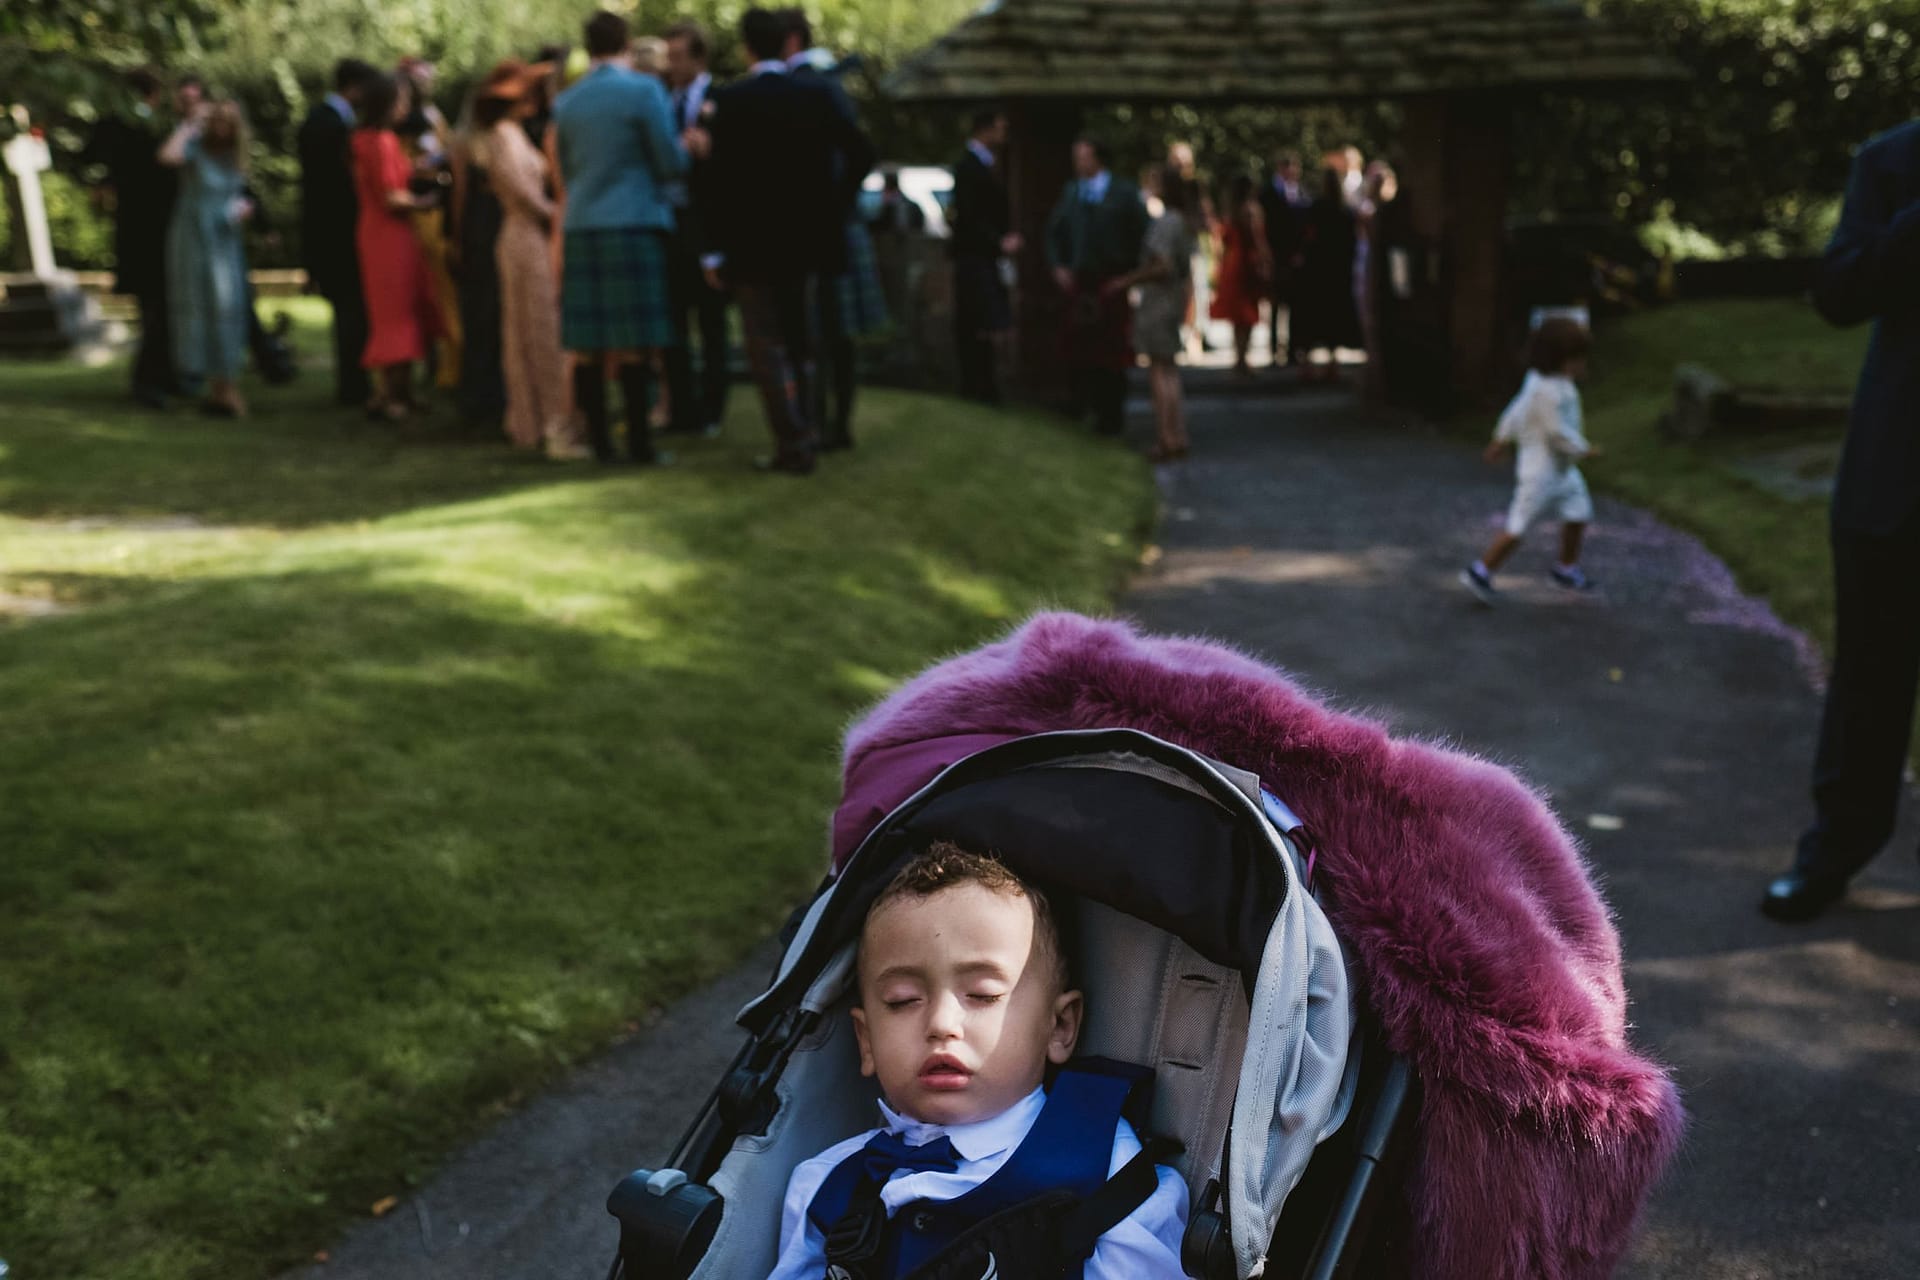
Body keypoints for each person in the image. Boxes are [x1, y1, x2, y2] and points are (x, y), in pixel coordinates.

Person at [765, 844, 1188, 1280]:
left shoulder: (1107, 1166)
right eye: (903, 1000)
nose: (941, 1023)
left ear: (1059, 1027)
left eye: (983, 995)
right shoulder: (826, 1185)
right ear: (866, 1041)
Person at [1765, 118, 1920, 922]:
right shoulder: (1890, 160)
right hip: (1896, 465)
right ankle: (1835, 849)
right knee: (1870, 672)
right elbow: (1839, 292)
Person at [694, 7, 874, 474]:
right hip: (808, 240)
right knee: (801, 339)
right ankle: (807, 432)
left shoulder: (731, 101)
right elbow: (861, 151)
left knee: (765, 343)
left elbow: (715, 183)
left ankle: (793, 441)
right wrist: (833, 205)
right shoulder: (815, 94)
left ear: (747, 47)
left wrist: (713, 248)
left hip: (752, 244)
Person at [549, 8, 688, 465]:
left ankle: (602, 444)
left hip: (584, 224)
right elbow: (669, 160)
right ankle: (640, 446)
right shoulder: (643, 90)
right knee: (633, 340)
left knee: (589, 344)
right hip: (633, 222)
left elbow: (567, 170)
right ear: (626, 42)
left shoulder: (568, 102)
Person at [471, 59, 582, 459]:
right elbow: (523, 194)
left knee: (539, 326)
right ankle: (546, 420)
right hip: (523, 240)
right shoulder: (502, 136)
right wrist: (562, 215)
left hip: (531, 235)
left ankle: (545, 417)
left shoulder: (513, 133)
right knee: (536, 328)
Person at [783, 9, 883, 452]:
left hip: (831, 224)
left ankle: (833, 423)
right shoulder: (823, 84)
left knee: (829, 331)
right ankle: (826, 421)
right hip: (831, 221)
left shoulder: (817, 84)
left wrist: (836, 200)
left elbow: (858, 152)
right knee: (825, 331)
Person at [1460, 317, 1598, 605]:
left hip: (1563, 471)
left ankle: (1566, 567)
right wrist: (1583, 449)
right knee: (1518, 525)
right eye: (1576, 359)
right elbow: (1555, 432)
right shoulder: (1544, 390)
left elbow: (1514, 411)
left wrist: (1501, 438)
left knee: (1578, 512)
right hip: (1541, 473)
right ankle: (1480, 570)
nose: (1581, 365)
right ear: (1557, 359)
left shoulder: (1550, 382)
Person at [352, 72, 446, 420]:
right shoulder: (380, 142)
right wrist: (428, 201)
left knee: (402, 310)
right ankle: (389, 395)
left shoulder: (366, 140)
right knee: (396, 314)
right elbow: (392, 197)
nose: (406, 106)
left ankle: (400, 392)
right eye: (402, 100)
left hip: (380, 234)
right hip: (389, 236)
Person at [84, 68, 180, 408]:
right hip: (151, 232)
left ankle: (161, 376)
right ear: (152, 94)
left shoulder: (112, 126)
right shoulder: (144, 129)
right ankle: (149, 380)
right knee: (157, 310)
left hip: (135, 230)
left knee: (153, 309)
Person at [1045, 137, 1150, 436]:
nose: (1079, 163)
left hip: (1111, 279)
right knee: (1078, 345)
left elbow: (1143, 235)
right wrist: (1059, 265)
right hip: (1081, 279)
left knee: (1112, 349)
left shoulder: (1124, 193)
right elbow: (1054, 232)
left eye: (1084, 157)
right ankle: (1079, 405)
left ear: (1098, 160)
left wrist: (1129, 276)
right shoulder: (1072, 192)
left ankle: (1111, 413)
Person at [159, 98, 254, 417]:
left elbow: (239, 192)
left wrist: (242, 210)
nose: (222, 128)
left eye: (228, 123)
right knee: (200, 306)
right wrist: (189, 124)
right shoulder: (194, 147)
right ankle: (213, 386)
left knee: (228, 306)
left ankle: (226, 386)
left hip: (225, 241)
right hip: (193, 240)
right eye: (217, 121)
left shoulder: (234, 154)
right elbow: (167, 156)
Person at [662, 20, 730, 439]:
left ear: (698, 57)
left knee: (712, 324)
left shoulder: (722, 99)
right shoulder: (659, 100)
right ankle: (681, 409)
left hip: (706, 229)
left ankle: (712, 409)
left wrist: (709, 151)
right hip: (670, 227)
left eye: (678, 57)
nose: (671, 65)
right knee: (673, 324)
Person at [299, 59, 378, 408]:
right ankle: (353, 386)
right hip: (337, 232)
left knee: (350, 309)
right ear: (355, 87)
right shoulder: (327, 125)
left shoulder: (324, 120)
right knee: (350, 308)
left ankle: (354, 382)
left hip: (331, 230)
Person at [1114, 165, 1200, 462]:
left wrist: (1128, 280)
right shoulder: (1183, 221)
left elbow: (1162, 265)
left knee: (1159, 371)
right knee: (1169, 371)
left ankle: (1166, 437)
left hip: (1159, 303)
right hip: (1171, 301)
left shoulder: (1166, 223)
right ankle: (1176, 435)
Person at [949, 108, 1018, 405]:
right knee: (977, 321)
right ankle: (977, 385)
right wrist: (998, 243)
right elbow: (968, 216)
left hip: (983, 255)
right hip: (975, 256)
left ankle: (984, 384)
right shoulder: (969, 168)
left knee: (985, 321)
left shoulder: (988, 165)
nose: (1003, 136)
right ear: (985, 130)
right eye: (1000, 128)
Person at [1289, 167, 1363, 382]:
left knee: (1311, 319)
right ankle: (1331, 364)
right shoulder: (1344, 212)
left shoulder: (1316, 209)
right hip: (1335, 273)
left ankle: (1308, 365)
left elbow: (1305, 238)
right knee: (1332, 320)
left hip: (1317, 273)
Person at [1209, 174, 1271, 376]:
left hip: (1232, 265)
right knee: (1247, 315)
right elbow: (1257, 240)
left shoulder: (1230, 212)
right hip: (1246, 265)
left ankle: (1240, 358)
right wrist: (1266, 261)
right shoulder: (1251, 211)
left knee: (1238, 318)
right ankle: (1243, 359)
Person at [1259, 150, 1311, 368]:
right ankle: (1273, 350)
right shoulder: (1268, 193)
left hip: (1294, 258)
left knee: (1293, 306)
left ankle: (1292, 349)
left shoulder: (1301, 192)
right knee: (1275, 306)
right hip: (1276, 256)